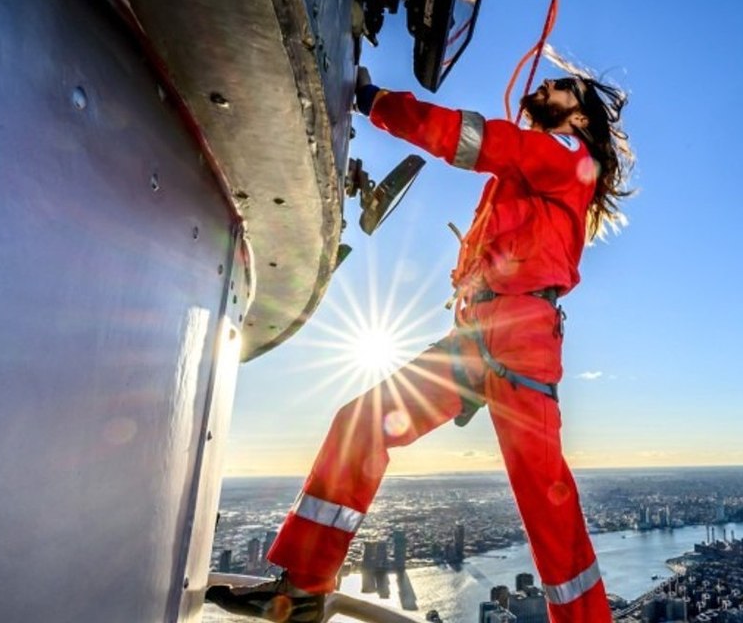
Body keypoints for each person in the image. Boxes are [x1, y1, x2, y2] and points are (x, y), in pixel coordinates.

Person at [207, 69, 633, 623]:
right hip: (480, 338)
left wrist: (374, 101)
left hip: (519, 342)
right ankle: (304, 588)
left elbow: (470, 138)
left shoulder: (567, 156)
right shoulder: (530, 176)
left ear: (578, 118)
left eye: (561, 88)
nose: (546, 88)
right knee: (363, 421)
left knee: (548, 508)